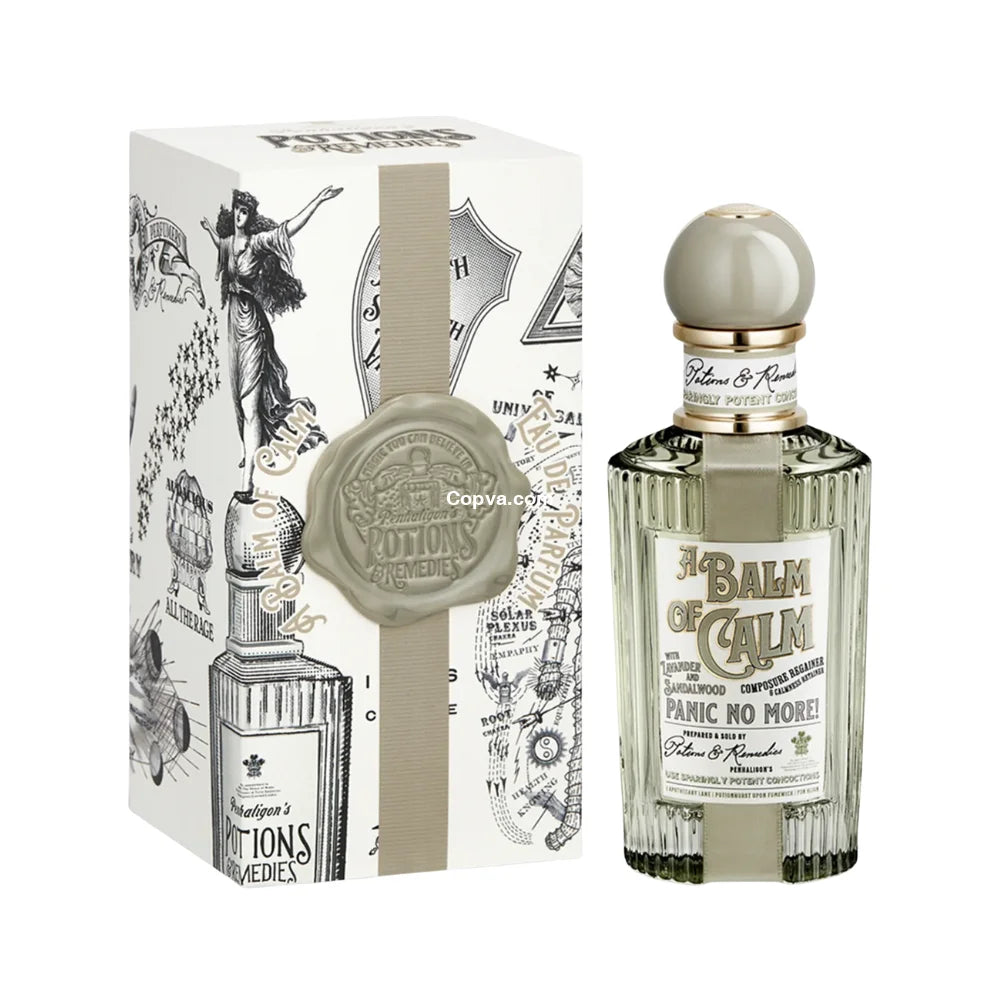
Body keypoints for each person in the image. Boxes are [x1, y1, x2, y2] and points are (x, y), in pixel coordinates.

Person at [202, 186, 341, 492]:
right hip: (232, 326)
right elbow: (219, 245)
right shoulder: (228, 243)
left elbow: (288, 228)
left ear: (249, 216)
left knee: (249, 403)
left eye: (244, 212)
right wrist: (209, 229)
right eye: (236, 210)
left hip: (252, 326)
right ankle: (249, 455)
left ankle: (247, 483)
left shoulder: (257, 243)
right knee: (238, 400)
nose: (239, 216)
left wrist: (317, 200)